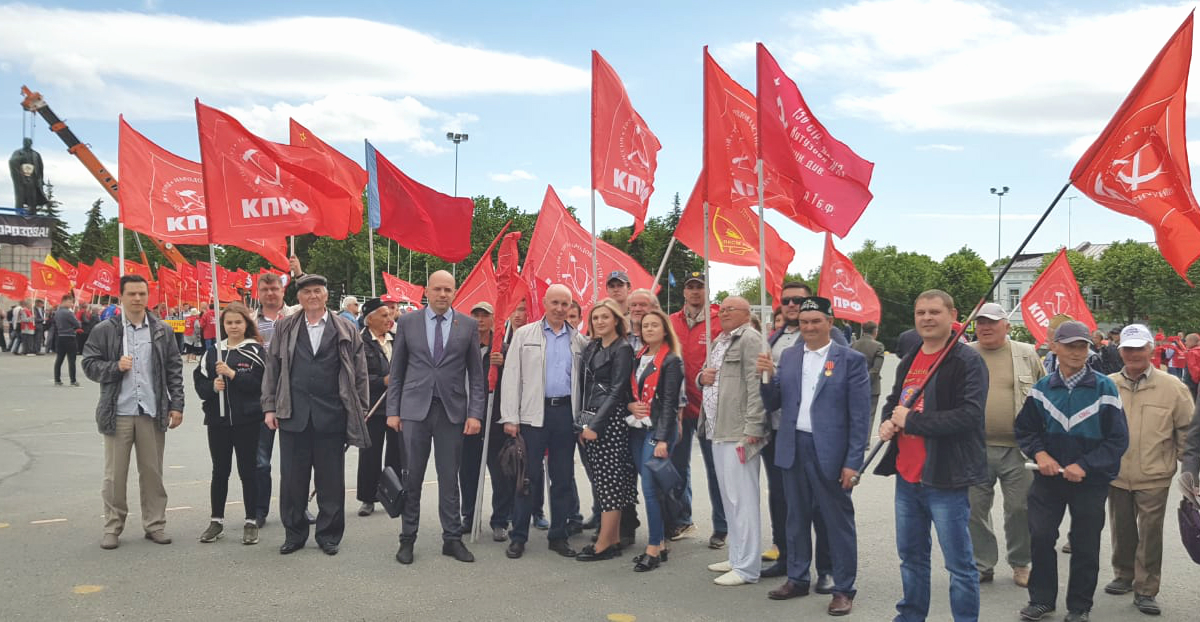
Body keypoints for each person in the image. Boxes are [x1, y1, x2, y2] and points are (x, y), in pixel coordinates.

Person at [874, 289, 988, 622]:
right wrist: (888, 421)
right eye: (920, 312)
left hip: (945, 477)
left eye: (934, 312)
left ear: (953, 316)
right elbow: (895, 401)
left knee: (959, 564)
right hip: (907, 476)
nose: (926, 318)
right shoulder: (909, 358)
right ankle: (911, 615)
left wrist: (912, 421)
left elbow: (970, 416)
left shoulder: (967, 361)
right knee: (911, 558)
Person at [758, 296, 870, 615]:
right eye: (805, 322)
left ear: (829, 323)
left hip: (830, 451)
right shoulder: (791, 356)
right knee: (795, 518)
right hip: (793, 446)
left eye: (816, 321)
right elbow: (774, 402)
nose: (809, 327)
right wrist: (766, 377)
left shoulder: (850, 360)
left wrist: (853, 462)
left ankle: (843, 588)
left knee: (837, 522)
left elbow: (860, 417)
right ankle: (797, 578)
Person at [1015, 320, 1129, 622]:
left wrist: (1085, 465)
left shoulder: (1105, 388)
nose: (1077, 352)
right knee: (1040, 537)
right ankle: (1041, 601)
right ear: (1055, 347)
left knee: (1085, 544)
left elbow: (1118, 440)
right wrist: (1040, 454)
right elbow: (1025, 430)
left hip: (1090, 482)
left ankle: (1079, 607)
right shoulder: (1042, 388)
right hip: (1048, 479)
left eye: (1082, 346)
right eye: (1070, 346)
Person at [261, 273, 369, 556]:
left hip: (332, 415)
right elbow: (272, 368)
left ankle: (329, 535)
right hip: (292, 414)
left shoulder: (346, 328)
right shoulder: (284, 327)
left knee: (330, 481)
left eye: (317, 291)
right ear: (299, 297)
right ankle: (294, 534)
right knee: (292, 481)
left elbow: (360, 373)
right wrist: (269, 407)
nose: (312, 296)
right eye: (307, 292)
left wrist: (361, 409)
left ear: (326, 295)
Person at [388, 270, 486, 565]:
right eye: (437, 289)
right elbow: (397, 371)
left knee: (449, 477)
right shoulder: (408, 322)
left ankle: (452, 539)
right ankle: (407, 538)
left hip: (451, 412)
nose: (443, 294)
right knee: (412, 477)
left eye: (448, 289)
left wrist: (475, 414)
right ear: (427, 292)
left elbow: (476, 376)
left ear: (455, 292)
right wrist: (393, 411)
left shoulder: (468, 325)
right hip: (414, 410)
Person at [81, 274, 185, 550]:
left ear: (148, 296)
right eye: (132, 294)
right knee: (115, 476)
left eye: (142, 293)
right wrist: (115, 367)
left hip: (151, 410)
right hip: (118, 412)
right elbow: (89, 364)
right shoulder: (106, 330)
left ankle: (155, 524)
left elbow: (174, 369)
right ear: (121, 297)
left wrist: (177, 404)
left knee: (152, 473)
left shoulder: (161, 330)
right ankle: (113, 526)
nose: (137, 298)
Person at [1103, 324, 1193, 616]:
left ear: (1151, 349)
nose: (1133, 354)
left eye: (1139, 348)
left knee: (1150, 533)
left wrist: (1191, 474)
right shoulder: (1107, 385)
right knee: (1122, 528)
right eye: (1128, 349)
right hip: (1117, 473)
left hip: (1155, 474)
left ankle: (1146, 588)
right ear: (1120, 351)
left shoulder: (1173, 387)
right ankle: (1124, 574)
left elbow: (1187, 431)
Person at [499, 284, 588, 560]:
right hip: (532, 416)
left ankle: (558, 535)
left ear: (570, 306)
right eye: (555, 303)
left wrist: (583, 421)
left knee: (562, 478)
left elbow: (585, 384)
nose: (560, 309)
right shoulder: (525, 335)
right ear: (545, 303)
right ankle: (518, 536)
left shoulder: (580, 341)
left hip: (565, 415)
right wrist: (510, 417)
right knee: (527, 478)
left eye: (565, 304)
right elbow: (511, 377)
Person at [761, 281, 834, 587]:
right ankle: (787, 558)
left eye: (798, 301)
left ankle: (827, 569)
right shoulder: (775, 337)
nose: (791, 305)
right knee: (782, 500)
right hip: (779, 431)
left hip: (815, 435)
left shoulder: (830, 339)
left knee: (820, 505)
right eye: (786, 300)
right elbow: (770, 387)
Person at [966, 303, 1044, 588]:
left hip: (1019, 449)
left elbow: (1044, 394)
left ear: (1007, 326)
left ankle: (1021, 563)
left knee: (1020, 508)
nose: (985, 327)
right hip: (974, 447)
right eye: (981, 322)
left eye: (992, 322)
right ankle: (982, 563)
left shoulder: (1026, 353)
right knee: (974, 509)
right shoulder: (964, 354)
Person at [699, 296, 768, 586]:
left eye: (731, 309)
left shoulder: (750, 339)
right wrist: (701, 378)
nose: (724, 313)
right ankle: (737, 556)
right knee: (729, 498)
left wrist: (753, 427)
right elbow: (708, 377)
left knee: (743, 500)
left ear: (746, 313)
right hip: (718, 428)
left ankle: (748, 567)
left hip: (739, 431)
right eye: (722, 309)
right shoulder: (720, 340)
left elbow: (756, 384)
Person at [193, 302, 266, 545]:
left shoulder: (255, 351)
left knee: (248, 470)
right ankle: (216, 520)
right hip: (218, 421)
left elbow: (259, 384)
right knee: (220, 470)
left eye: (238, 322)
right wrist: (213, 387)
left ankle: (251, 520)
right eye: (229, 323)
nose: (233, 326)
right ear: (222, 325)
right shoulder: (213, 351)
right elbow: (200, 386)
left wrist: (233, 375)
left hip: (247, 421)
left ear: (246, 324)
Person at [574, 299, 636, 562]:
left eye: (605, 317)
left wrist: (595, 426)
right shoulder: (593, 346)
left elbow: (617, 390)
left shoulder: (622, 348)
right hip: (590, 419)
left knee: (610, 482)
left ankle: (604, 543)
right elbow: (586, 388)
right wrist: (582, 424)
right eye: (595, 318)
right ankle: (612, 537)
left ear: (616, 320)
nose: (600, 322)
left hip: (609, 422)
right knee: (602, 481)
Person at [668, 272, 724, 547]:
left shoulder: (718, 321)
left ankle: (722, 527)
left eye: (699, 287)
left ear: (707, 291)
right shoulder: (672, 321)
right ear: (684, 292)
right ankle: (682, 519)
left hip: (709, 407)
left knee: (716, 469)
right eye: (690, 287)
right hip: (680, 406)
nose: (694, 292)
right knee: (678, 466)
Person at [626, 308, 683, 572]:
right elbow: (629, 392)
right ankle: (660, 543)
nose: (649, 329)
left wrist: (662, 439)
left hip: (658, 429)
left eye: (654, 325)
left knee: (649, 488)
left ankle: (652, 547)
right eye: (645, 325)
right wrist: (630, 405)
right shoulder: (638, 356)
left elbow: (670, 402)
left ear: (664, 330)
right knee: (653, 487)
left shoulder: (671, 361)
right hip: (638, 427)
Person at [460, 301, 514, 541]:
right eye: (476, 315)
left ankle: (500, 520)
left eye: (485, 315)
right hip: (468, 419)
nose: (480, 320)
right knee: (468, 471)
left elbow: (516, 381)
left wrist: (504, 364)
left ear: (494, 319)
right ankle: (469, 516)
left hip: (495, 420)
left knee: (502, 474)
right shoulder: (462, 346)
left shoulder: (503, 348)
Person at [251, 267, 300, 528]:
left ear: (283, 291)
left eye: (275, 289)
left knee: (297, 461)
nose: (270, 293)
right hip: (261, 395)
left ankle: (298, 509)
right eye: (265, 289)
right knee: (261, 461)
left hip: (294, 393)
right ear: (258, 293)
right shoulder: (248, 320)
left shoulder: (297, 315)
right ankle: (259, 511)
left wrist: (299, 272)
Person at [355, 298, 402, 518]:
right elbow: (358, 376)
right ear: (369, 319)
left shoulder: (397, 339)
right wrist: (382, 381)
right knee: (370, 454)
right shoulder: (359, 342)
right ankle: (368, 498)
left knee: (397, 453)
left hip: (396, 406)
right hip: (372, 406)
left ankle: (394, 495)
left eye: (390, 314)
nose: (389, 319)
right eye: (383, 315)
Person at [850, 320, 886, 427]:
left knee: (854, 417)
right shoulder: (878, 346)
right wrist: (865, 382)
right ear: (875, 331)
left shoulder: (853, 345)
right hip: (872, 387)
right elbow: (876, 369)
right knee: (869, 417)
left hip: (854, 386)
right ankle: (865, 437)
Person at [52, 294, 82, 387]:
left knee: (59, 359)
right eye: (70, 302)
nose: (71, 304)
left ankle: (57, 379)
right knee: (71, 360)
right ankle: (73, 380)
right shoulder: (68, 313)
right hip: (69, 336)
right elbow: (78, 324)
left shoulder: (57, 312)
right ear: (64, 301)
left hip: (60, 336)